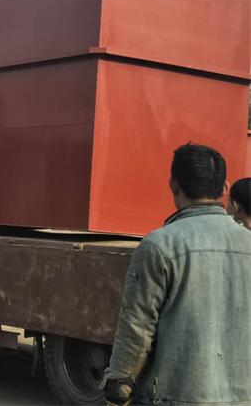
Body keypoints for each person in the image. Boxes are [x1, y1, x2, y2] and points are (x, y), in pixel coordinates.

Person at [103, 143, 251, 405]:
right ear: (224, 189)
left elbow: (137, 326)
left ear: (173, 185)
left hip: (176, 396)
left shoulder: (159, 245)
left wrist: (119, 381)